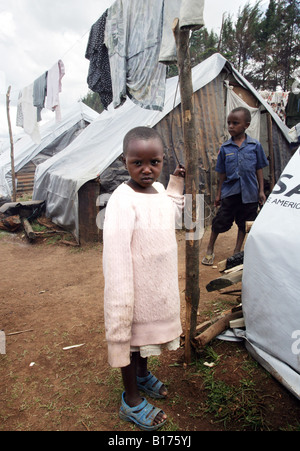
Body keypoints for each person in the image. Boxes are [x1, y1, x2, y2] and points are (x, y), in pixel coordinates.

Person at [102, 126, 185, 431]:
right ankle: (132, 400)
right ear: (125, 161)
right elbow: (116, 259)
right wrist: (121, 302)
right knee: (132, 343)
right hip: (134, 294)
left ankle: (141, 377)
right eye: (138, 163)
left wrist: (175, 182)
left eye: (155, 162)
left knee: (144, 346)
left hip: (158, 291)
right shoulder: (122, 201)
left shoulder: (160, 191)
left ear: (163, 160)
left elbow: (173, 215)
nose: (147, 169)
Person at [202, 107, 269, 266]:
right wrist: (218, 194)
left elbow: (259, 168)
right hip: (230, 192)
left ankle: (237, 251)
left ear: (246, 125)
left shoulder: (255, 145)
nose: (230, 126)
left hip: (250, 193)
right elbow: (222, 173)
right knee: (221, 220)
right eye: (229, 123)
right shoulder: (225, 148)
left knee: (244, 222)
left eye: (235, 123)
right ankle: (210, 248)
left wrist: (260, 191)